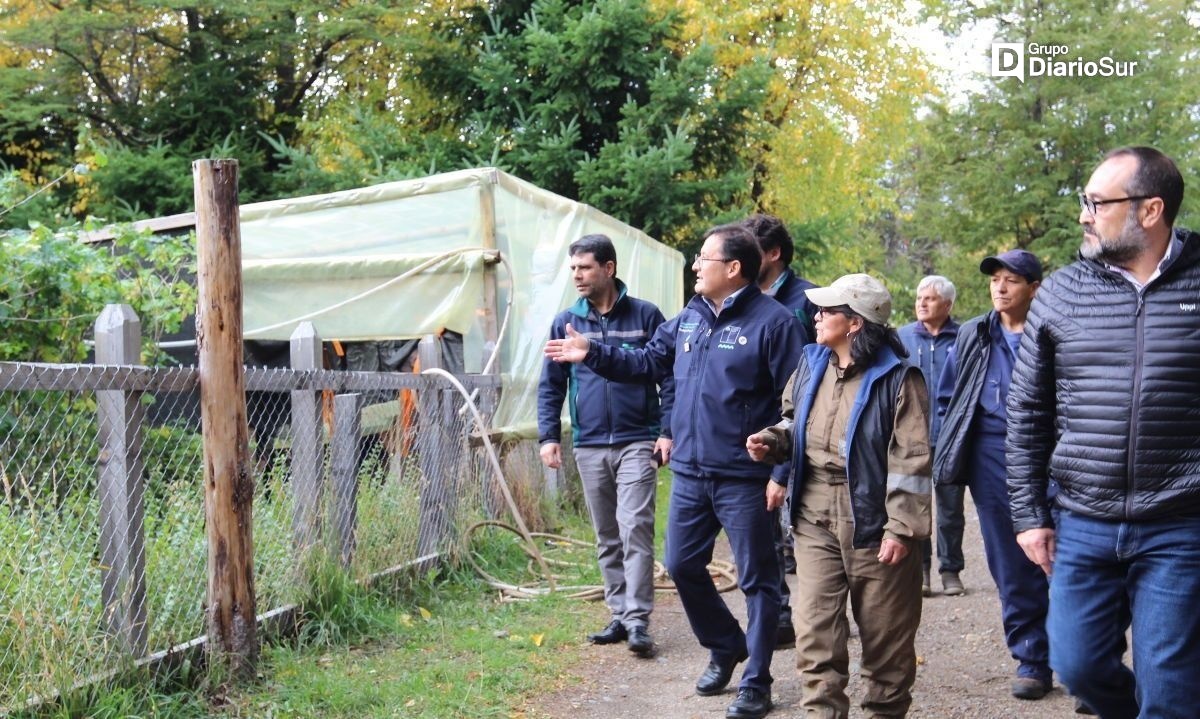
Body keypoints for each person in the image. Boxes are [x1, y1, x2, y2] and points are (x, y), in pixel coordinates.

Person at [546, 223, 804, 719]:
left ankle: (758, 680)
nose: (694, 266)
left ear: (733, 268)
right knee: (682, 565)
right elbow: (646, 361)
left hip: (743, 477)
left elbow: (796, 405)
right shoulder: (689, 318)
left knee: (758, 580)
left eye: (703, 258)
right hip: (690, 472)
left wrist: (780, 472)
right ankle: (726, 644)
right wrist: (591, 353)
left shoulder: (773, 323)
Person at [1008, 146, 1200, 719]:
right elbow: (1027, 412)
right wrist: (1029, 516)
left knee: (1170, 690)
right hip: (1083, 521)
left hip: (1180, 523)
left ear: (1150, 210)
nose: (1084, 215)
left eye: (1096, 202)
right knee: (1079, 668)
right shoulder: (1063, 291)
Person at [746, 273, 932, 718]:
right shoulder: (812, 362)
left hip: (874, 522)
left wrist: (902, 528)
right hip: (813, 516)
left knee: (886, 645)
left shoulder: (900, 379)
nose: (817, 315)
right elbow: (796, 422)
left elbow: (913, 460)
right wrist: (774, 440)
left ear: (855, 323)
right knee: (816, 638)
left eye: (828, 310)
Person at [537, 234, 672, 658]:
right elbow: (551, 384)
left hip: (636, 439)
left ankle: (638, 621)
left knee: (636, 527)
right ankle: (618, 612)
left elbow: (667, 377)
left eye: (585, 267)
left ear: (608, 269)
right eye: (573, 268)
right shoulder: (565, 322)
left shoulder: (646, 316)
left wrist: (666, 430)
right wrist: (547, 437)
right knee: (607, 534)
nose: (577, 275)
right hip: (590, 442)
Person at [931, 251, 1052, 700]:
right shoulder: (973, 334)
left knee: (1072, 560)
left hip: (1051, 455)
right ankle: (1032, 658)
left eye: (1012, 280)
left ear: (1034, 287)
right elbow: (949, 399)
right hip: (989, 453)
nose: (1000, 288)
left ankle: (1087, 662)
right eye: (996, 280)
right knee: (1009, 560)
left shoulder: (1055, 329)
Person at [742, 212, 819, 651]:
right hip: (760, 436)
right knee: (767, 532)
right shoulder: (743, 299)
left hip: (806, 434)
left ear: (772, 254)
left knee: (808, 530)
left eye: (749, 248)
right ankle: (783, 616)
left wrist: (784, 467)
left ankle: (822, 611)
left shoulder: (808, 299)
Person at [898, 275, 965, 597]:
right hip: (912, 439)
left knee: (951, 507)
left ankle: (950, 569)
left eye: (930, 298)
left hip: (952, 438)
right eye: (919, 298)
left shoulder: (965, 338)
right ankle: (921, 571)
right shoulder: (902, 339)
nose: (922, 303)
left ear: (948, 305)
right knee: (915, 505)